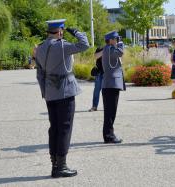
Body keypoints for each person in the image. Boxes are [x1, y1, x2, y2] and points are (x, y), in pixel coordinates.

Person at [34, 19, 89, 178]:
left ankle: (54, 165)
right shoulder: (63, 45)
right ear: (60, 31)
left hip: (50, 93)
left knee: (55, 128)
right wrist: (77, 32)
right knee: (65, 128)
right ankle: (61, 166)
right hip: (65, 91)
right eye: (63, 31)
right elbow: (85, 44)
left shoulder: (40, 47)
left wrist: (45, 92)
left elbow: (39, 74)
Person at [101, 31, 125, 143]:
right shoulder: (110, 49)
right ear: (110, 40)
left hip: (110, 84)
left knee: (109, 112)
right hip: (111, 85)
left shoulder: (108, 49)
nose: (117, 41)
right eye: (116, 39)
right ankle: (109, 136)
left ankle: (108, 135)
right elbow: (120, 52)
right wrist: (121, 44)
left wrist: (118, 44)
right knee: (110, 112)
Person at [88, 47, 104, 112]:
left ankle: (107, 106)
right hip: (99, 73)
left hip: (107, 74)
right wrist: (104, 51)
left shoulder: (111, 49)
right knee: (96, 91)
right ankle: (94, 106)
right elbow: (95, 56)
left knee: (106, 92)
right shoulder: (101, 48)